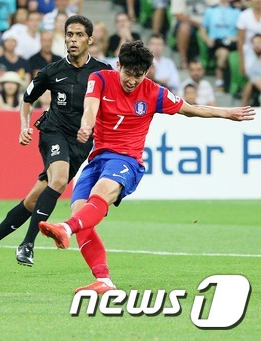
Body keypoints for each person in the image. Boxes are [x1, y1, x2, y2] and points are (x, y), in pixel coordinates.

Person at [38, 40, 255, 294]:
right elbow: (90, 107)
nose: (132, 80)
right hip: (97, 159)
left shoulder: (154, 92)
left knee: (98, 196)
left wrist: (226, 113)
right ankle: (104, 281)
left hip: (127, 160)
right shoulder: (100, 79)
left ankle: (64, 228)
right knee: (81, 215)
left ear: (146, 73)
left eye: (138, 76)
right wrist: (87, 125)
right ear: (118, 65)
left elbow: (191, 109)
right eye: (128, 73)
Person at [0, 15, 112, 274]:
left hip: (81, 143)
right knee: (58, 180)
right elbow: (26, 100)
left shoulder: (104, 73)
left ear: (90, 39)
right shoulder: (52, 71)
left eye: (79, 35)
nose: (73, 40)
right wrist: (24, 126)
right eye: (69, 34)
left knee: (33, 200)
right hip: (53, 131)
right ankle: (27, 244)